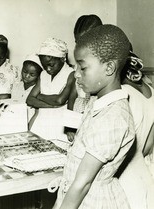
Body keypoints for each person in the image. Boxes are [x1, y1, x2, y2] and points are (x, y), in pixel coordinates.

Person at [51, 24, 135, 209]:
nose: (76, 74)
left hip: (92, 201)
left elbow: (82, 184)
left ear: (109, 68)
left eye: (83, 68)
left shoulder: (114, 117)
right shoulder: (97, 102)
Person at [117, 52, 154, 209]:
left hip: (124, 171)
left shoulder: (123, 93)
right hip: (143, 168)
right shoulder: (151, 90)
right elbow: (148, 144)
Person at [26, 37, 75, 141]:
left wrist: (39, 96)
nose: (48, 69)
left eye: (51, 65)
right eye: (44, 66)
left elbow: (60, 100)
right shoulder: (43, 74)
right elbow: (29, 99)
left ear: (62, 58)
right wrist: (54, 105)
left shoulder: (71, 74)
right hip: (40, 125)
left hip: (58, 127)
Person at [66, 14, 103, 142]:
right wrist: (70, 126)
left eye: (86, 42)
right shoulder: (79, 63)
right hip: (78, 113)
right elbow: (72, 97)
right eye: (77, 42)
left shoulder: (103, 65)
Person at [11, 53, 42, 128]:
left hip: (29, 126)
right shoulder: (16, 86)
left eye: (32, 74)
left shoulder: (37, 91)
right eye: (25, 71)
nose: (27, 76)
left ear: (39, 76)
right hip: (12, 123)